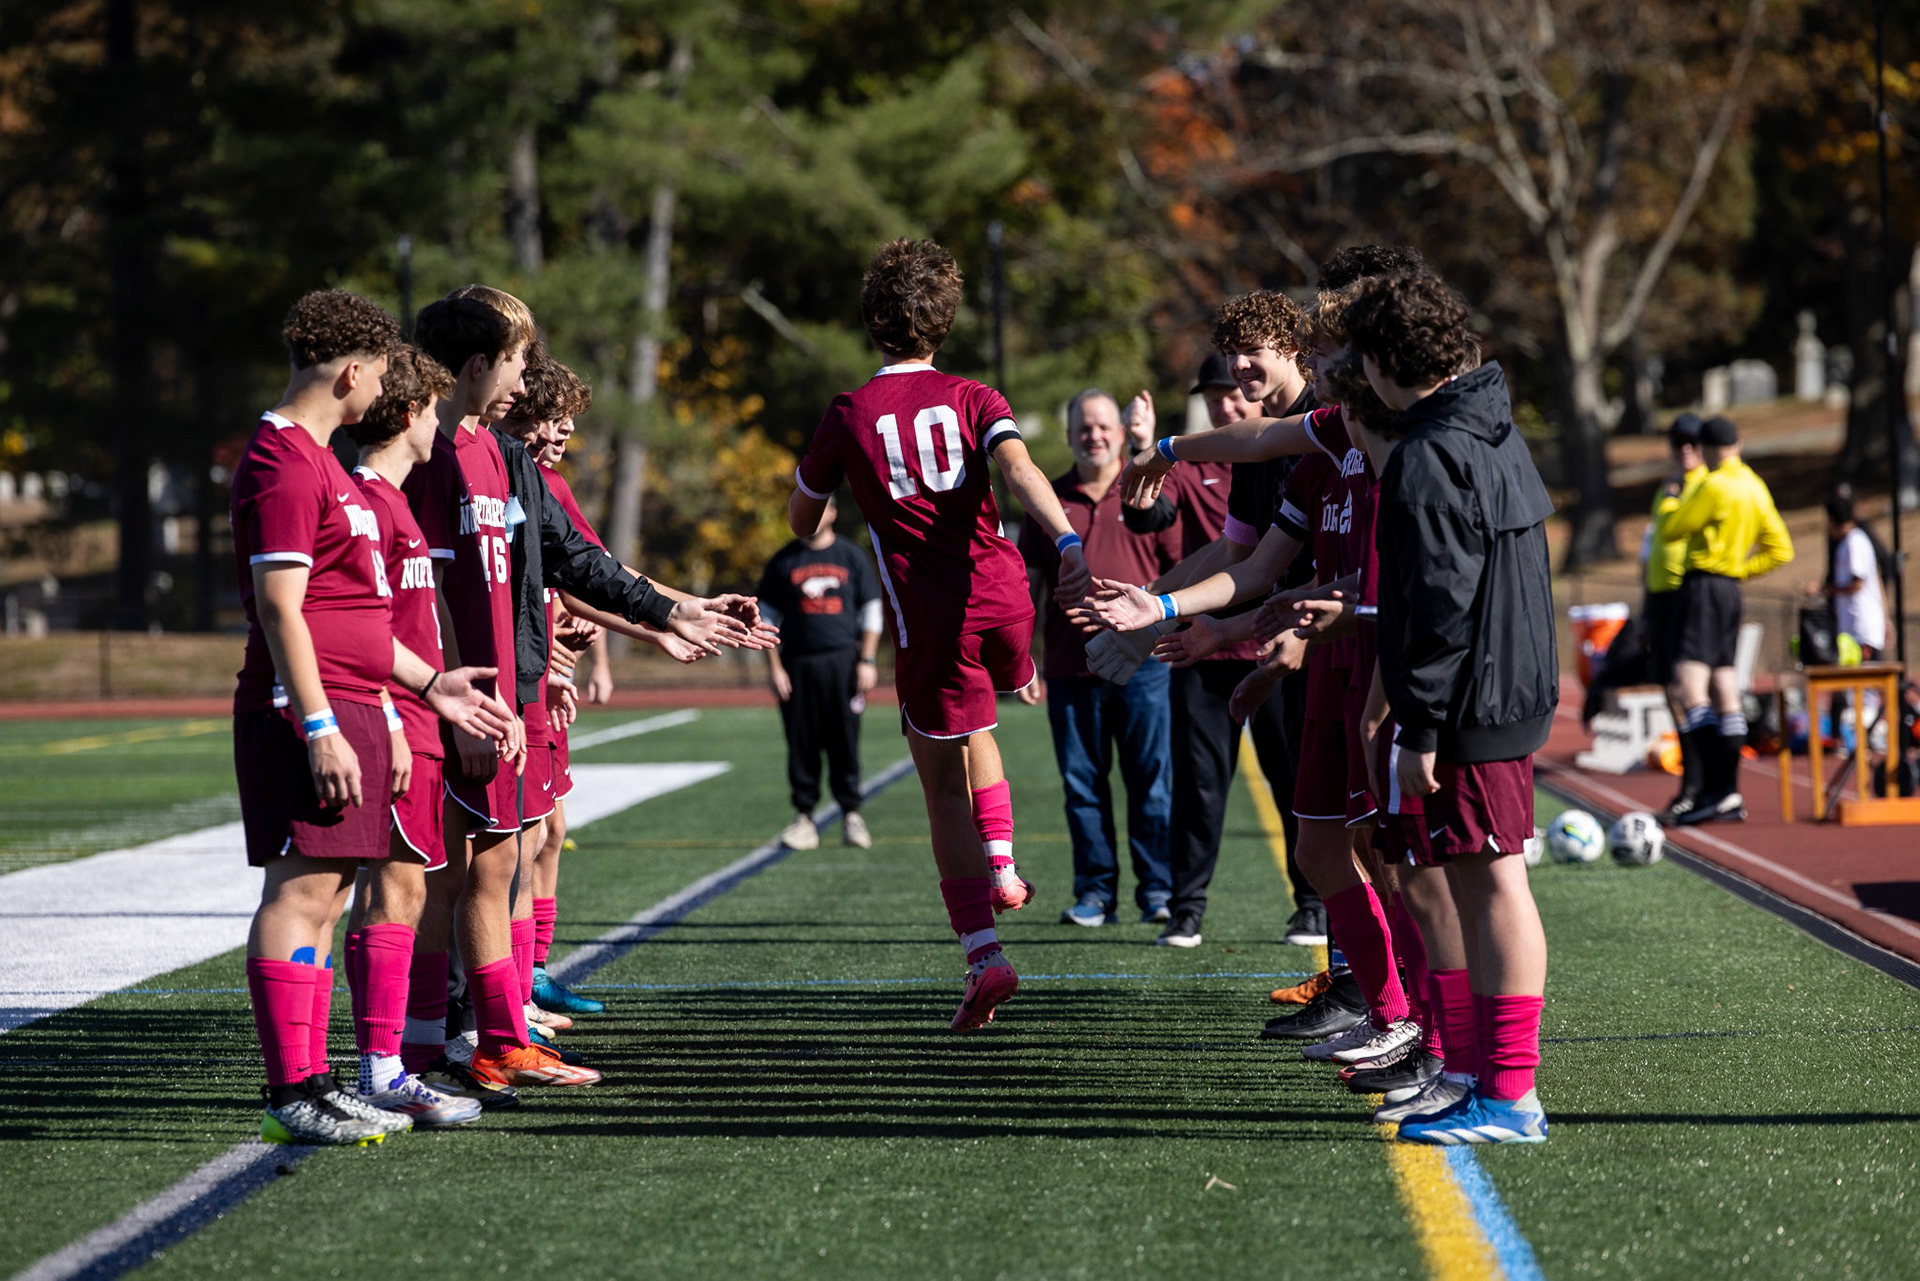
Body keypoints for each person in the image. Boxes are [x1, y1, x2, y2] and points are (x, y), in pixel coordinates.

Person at [788, 237, 1091, 1031]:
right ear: (945, 320)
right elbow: (1022, 472)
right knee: (982, 715)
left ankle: (985, 954)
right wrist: (1067, 544)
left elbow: (801, 516)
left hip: (934, 618)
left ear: (872, 321)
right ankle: (1005, 862)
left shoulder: (850, 411)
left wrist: (835, 491)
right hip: (1007, 599)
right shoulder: (974, 394)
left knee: (937, 781)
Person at [233, 291, 513, 1145]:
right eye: (384, 373)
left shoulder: (318, 461)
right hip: (309, 709)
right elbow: (283, 609)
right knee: (303, 887)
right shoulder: (283, 459)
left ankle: (317, 1081)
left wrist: (435, 686)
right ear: (353, 373)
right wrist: (316, 723)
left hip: (358, 702)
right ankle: (295, 1087)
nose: (387, 391)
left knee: (333, 892)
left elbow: (355, 616)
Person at [1345, 269, 1559, 1145]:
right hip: (1496, 688)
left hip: (1474, 701)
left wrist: (1420, 726)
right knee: (1476, 879)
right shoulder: (1488, 424)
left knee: (1493, 878)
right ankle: (1475, 1073)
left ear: (1385, 360)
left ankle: (1509, 1094)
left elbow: (1441, 602)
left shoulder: (1435, 451)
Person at [340, 345, 487, 1128]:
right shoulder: (368, 498)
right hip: (394, 725)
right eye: (432, 409)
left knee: (405, 886)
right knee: (391, 889)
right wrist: (396, 716)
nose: (441, 423)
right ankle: (381, 1066)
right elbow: (362, 630)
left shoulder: (396, 503)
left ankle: (386, 1061)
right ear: (406, 415)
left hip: (423, 722)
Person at [1020, 388, 1180, 927]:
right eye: (1083, 427)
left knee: (1151, 781)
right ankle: (1095, 894)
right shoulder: (1046, 498)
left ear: (1119, 430)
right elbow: (1030, 587)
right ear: (1068, 435)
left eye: (1103, 425)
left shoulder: (1147, 488)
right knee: (1082, 785)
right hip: (1070, 668)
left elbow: (1185, 570)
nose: (1094, 435)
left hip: (1145, 665)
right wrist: (1025, 656)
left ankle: (1157, 891)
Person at [1661, 414, 1794, 826]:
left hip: (1702, 588)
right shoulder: (1754, 485)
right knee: (1724, 688)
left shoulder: (1715, 485)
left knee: (1688, 687)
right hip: (1729, 591)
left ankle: (1714, 788)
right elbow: (1780, 549)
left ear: (1707, 447)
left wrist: (1672, 500)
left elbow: (1673, 529)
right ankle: (1730, 792)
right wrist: (1739, 570)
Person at [758, 493, 885, 852]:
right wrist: (775, 667)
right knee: (802, 742)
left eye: (819, 508)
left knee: (845, 739)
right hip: (797, 663)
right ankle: (804, 818)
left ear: (832, 511)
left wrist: (868, 661)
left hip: (844, 662)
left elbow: (871, 610)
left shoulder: (850, 556)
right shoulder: (784, 560)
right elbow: (765, 619)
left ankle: (852, 816)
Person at [1643, 414, 1708, 819]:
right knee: (1671, 691)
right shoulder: (1667, 488)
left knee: (1691, 691)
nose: (1684, 450)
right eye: (1678, 443)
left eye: (1692, 443)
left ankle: (1702, 784)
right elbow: (1652, 547)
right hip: (1660, 600)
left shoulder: (1705, 487)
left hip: (1689, 597)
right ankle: (1692, 782)